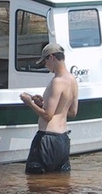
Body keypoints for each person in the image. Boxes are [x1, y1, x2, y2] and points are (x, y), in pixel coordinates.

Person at [19, 43, 79, 173]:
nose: (45, 65)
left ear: (51, 57)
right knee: (59, 185)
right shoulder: (72, 80)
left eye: (45, 61)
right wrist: (41, 104)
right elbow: (72, 112)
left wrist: (29, 102)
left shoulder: (57, 81)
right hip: (62, 140)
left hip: (47, 139)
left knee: (35, 181)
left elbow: (47, 116)